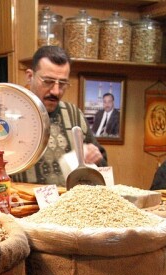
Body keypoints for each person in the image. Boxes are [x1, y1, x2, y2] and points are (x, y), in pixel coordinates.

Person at [12, 46, 107, 186]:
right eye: (48, 82)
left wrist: (96, 157)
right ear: (30, 76)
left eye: (62, 83)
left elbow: (102, 163)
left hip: (68, 205)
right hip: (25, 205)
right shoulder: (6, 117)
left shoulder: (74, 115)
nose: (56, 91)